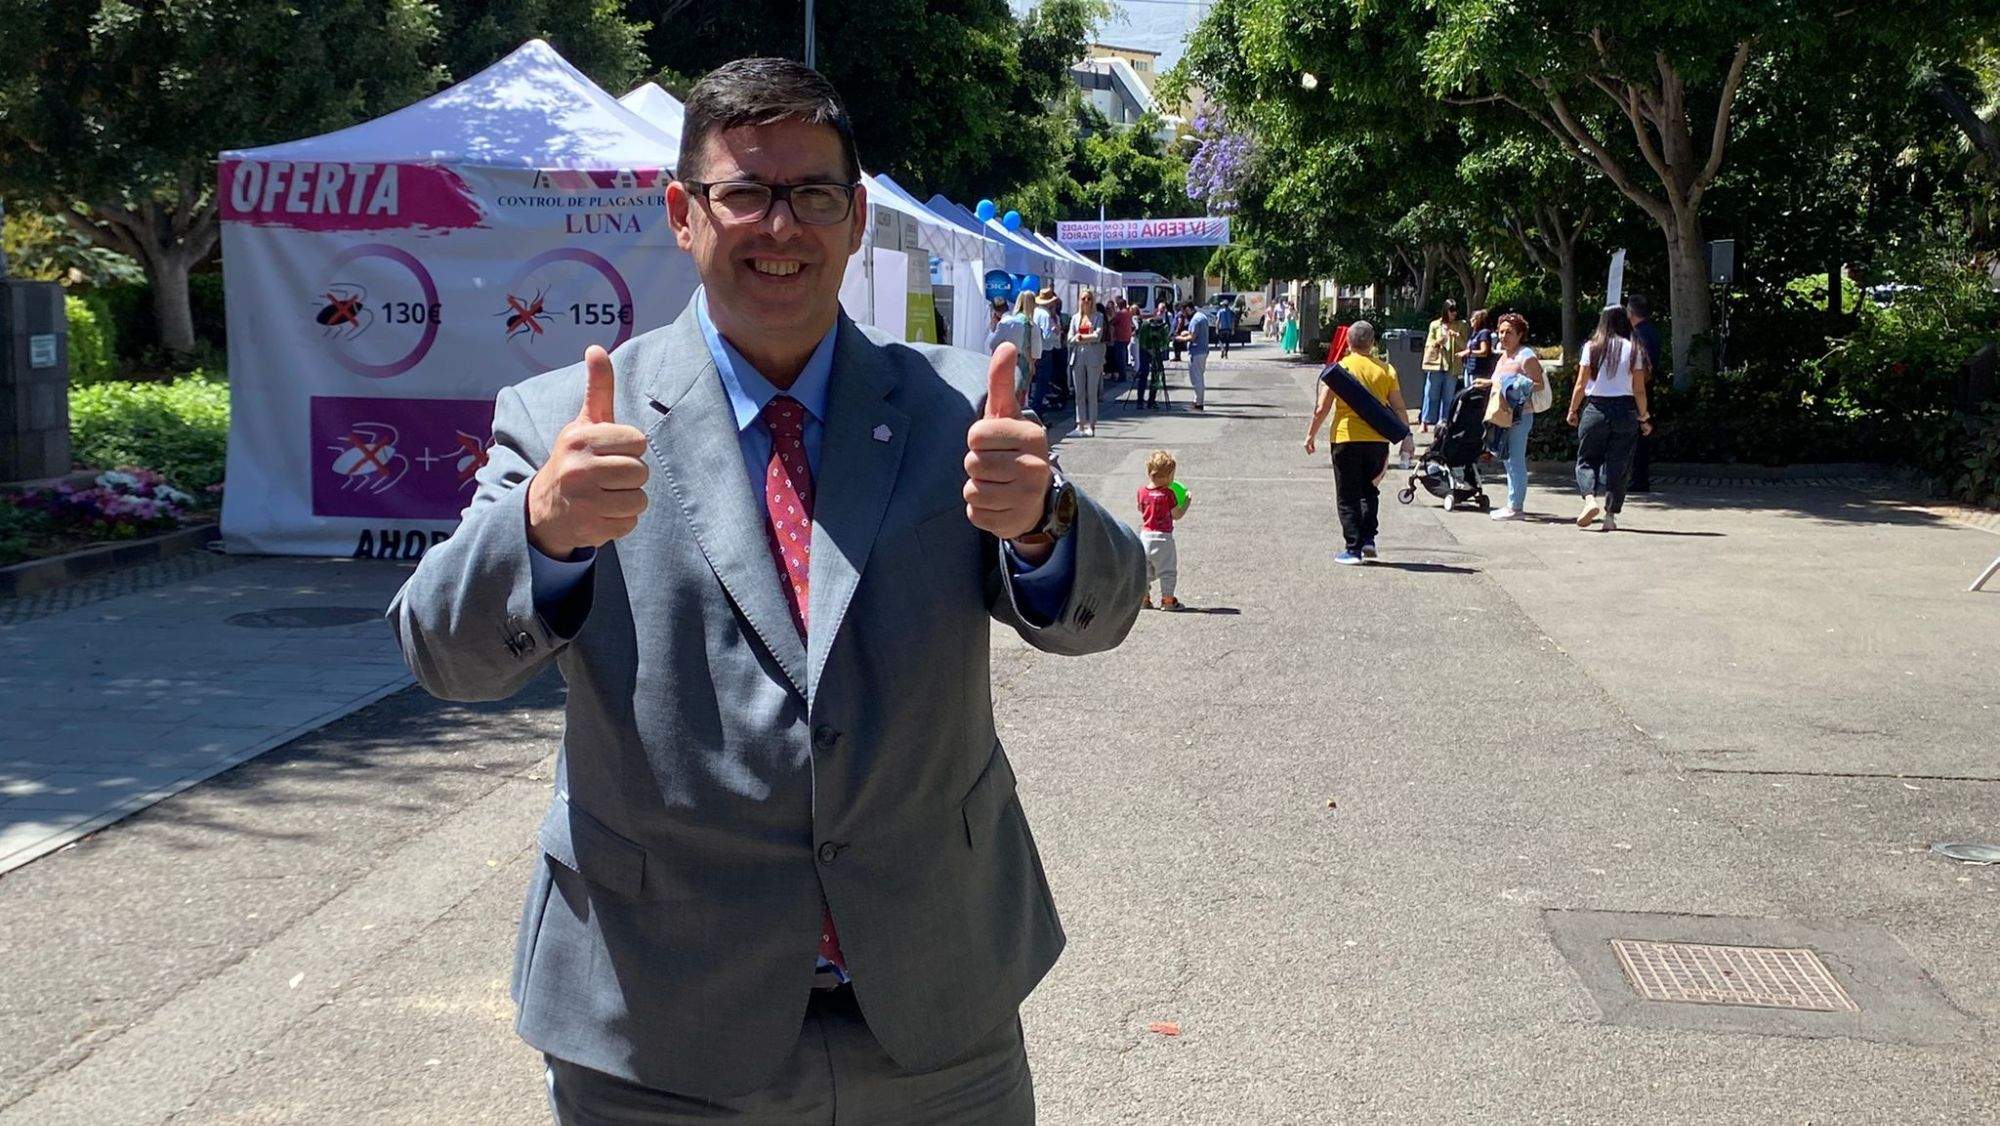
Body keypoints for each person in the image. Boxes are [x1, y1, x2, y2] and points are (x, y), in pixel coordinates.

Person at [389, 57, 1146, 1122]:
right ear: (681, 214)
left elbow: (1101, 614)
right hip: (656, 1025)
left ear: (854, 217)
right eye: (743, 192)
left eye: (812, 195)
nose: (777, 227)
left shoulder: (956, 410)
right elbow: (441, 653)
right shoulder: (567, 422)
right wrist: (541, 530)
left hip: (934, 1015)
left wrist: (1047, 519)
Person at [1303, 321, 1412, 564]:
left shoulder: (1340, 369)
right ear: (1373, 343)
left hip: (1345, 438)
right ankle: (1368, 540)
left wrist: (1311, 435)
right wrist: (1407, 439)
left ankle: (1352, 548)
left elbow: (1322, 408)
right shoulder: (1386, 370)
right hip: (1377, 440)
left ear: (1348, 342)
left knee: (1347, 493)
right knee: (1369, 490)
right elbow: (1399, 407)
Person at [1565, 304, 1654, 531]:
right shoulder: (1634, 348)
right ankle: (1610, 516)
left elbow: (1580, 383)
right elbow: (1639, 389)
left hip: (1596, 407)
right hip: (1625, 410)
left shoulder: (1592, 347)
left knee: (1587, 459)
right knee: (1619, 464)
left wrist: (1573, 410)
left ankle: (1589, 500)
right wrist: (1643, 418)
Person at [1477, 312, 1546, 521]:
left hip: (1519, 415)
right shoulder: (1504, 356)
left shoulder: (1526, 356)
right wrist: (1488, 383)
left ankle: (1516, 506)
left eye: (1509, 332)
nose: (1504, 336)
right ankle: (1512, 503)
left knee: (1515, 459)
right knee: (1507, 458)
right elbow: (1500, 381)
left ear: (1520, 334)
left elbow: (1539, 384)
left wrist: (1518, 385)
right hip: (1502, 415)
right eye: (1501, 332)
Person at [1136, 448, 1190, 610]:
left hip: (1145, 536)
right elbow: (1176, 515)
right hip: (1163, 538)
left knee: (1145, 571)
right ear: (1167, 477)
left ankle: (1144, 599)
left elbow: (1141, 509)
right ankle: (1167, 601)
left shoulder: (1142, 492)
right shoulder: (1168, 494)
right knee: (1167, 571)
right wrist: (1186, 502)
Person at [1625, 293, 1661, 493]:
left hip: (1638, 390)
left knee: (1636, 435)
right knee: (1642, 434)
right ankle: (1639, 477)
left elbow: (1641, 367)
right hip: (1647, 389)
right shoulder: (1651, 331)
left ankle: (1637, 479)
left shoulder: (1638, 335)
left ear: (1631, 311)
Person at [985, 291, 1039, 412]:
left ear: (995, 312)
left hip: (1005, 362)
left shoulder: (1003, 323)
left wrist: (993, 327)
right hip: (1021, 359)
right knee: (1021, 395)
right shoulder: (1021, 322)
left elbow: (992, 344)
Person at [1420, 300, 1465, 433]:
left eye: (1456, 311)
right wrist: (1438, 341)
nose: (1454, 314)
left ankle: (1444, 421)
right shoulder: (1435, 325)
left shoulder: (1460, 325)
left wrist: (1456, 337)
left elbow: (1464, 345)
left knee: (1448, 395)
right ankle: (1425, 421)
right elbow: (1429, 344)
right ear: (1445, 311)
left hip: (1452, 365)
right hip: (1436, 364)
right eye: (1451, 311)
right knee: (1431, 393)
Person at [1069, 289, 1106, 437]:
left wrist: (1082, 338)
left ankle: (1092, 424)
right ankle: (1080, 424)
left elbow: (1097, 335)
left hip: (1093, 356)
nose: (1086, 301)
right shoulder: (1075, 318)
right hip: (1078, 355)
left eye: (1089, 298)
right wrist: (1077, 338)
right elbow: (1069, 338)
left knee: (1091, 392)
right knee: (1079, 393)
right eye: (1083, 298)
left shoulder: (1098, 317)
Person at [1177, 300, 1211, 411]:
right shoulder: (1201, 316)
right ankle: (1197, 401)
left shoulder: (1195, 320)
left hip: (1197, 351)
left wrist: (1179, 338)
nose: (1184, 315)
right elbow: (1197, 333)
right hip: (1202, 350)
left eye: (1184, 312)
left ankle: (1199, 404)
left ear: (1187, 309)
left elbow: (1192, 337)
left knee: (1196, 379)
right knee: (1198, 377)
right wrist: (1186, 333)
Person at [1030, 286, 1060, 412]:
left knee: (1036, 383)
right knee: (1042, 384)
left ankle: (1036, 410)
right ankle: (1038, 412)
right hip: (1045, 351)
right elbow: (1047, 336)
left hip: (1035, 350)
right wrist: (1056, 332)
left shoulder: (1035, 311)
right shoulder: (1046, 315)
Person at [1136, 303, 1170, 409]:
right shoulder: (1146, 324)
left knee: (1156, 376)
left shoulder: (1164, 326)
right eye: (1159, 312)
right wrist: (1148, 349)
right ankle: (1140, 401)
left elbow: (1165, 341)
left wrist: (1159, 349)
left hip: (1156, 352)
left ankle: (1152, 400)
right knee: (1144, 374)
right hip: (1145, 351)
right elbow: (1142, 341)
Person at [1457, 308, 1496, 390]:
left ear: (1479, 320)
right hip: (1469, 369)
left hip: (1478, 371)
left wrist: (1469, 352)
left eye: (1474, 319)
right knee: (1467, 393)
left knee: (1474, 393)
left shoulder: (1484, 333)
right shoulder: (1474, 334)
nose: (1471, 320)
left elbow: (1484, 352)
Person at [1109, 296, 1134, 383]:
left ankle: (1122, 377)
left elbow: (1112, 322)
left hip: (1120, 337)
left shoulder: (1120, 314)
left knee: (1120, 358)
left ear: (1119, 305)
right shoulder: (1127, 312)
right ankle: (1123, 375)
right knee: (1123, 357)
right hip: (1126, 337)